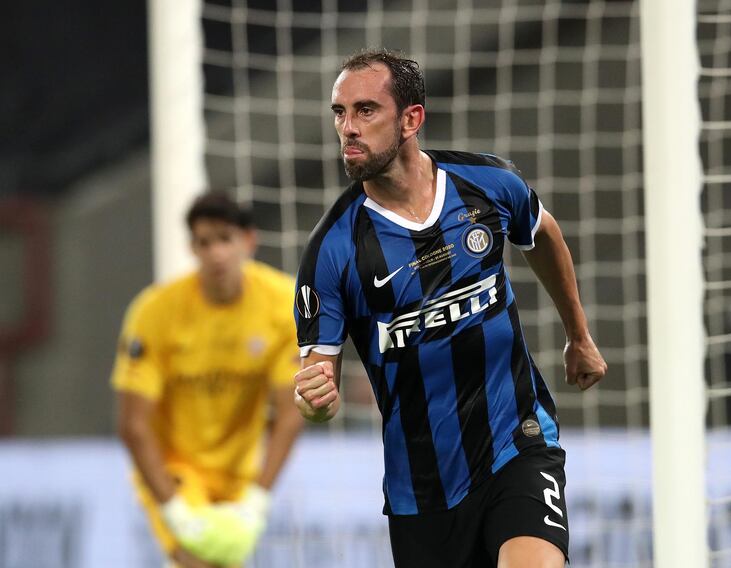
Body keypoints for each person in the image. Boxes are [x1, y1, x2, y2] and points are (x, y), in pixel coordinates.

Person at [292, 48, 607, 568]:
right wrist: (315, 401)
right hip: (422, 488)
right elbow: (316, 384)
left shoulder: (486, 185)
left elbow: (543, 232)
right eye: (339, 113)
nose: (348, 127)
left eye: (366, 110)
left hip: (516, 442)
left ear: (411, 118)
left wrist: (579, 334)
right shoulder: (331, 250)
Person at [112, 191, 304, 568]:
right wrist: (172, 509)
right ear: (192, 249)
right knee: (195, 559)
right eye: (204, 242)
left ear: (248, 242)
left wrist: (257, 501)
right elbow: (134, 425)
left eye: (224, 239)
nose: (216, 253)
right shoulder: (155, 313)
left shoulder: (282, 303)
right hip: (176, 469)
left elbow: (289, 412)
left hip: (240, 474)